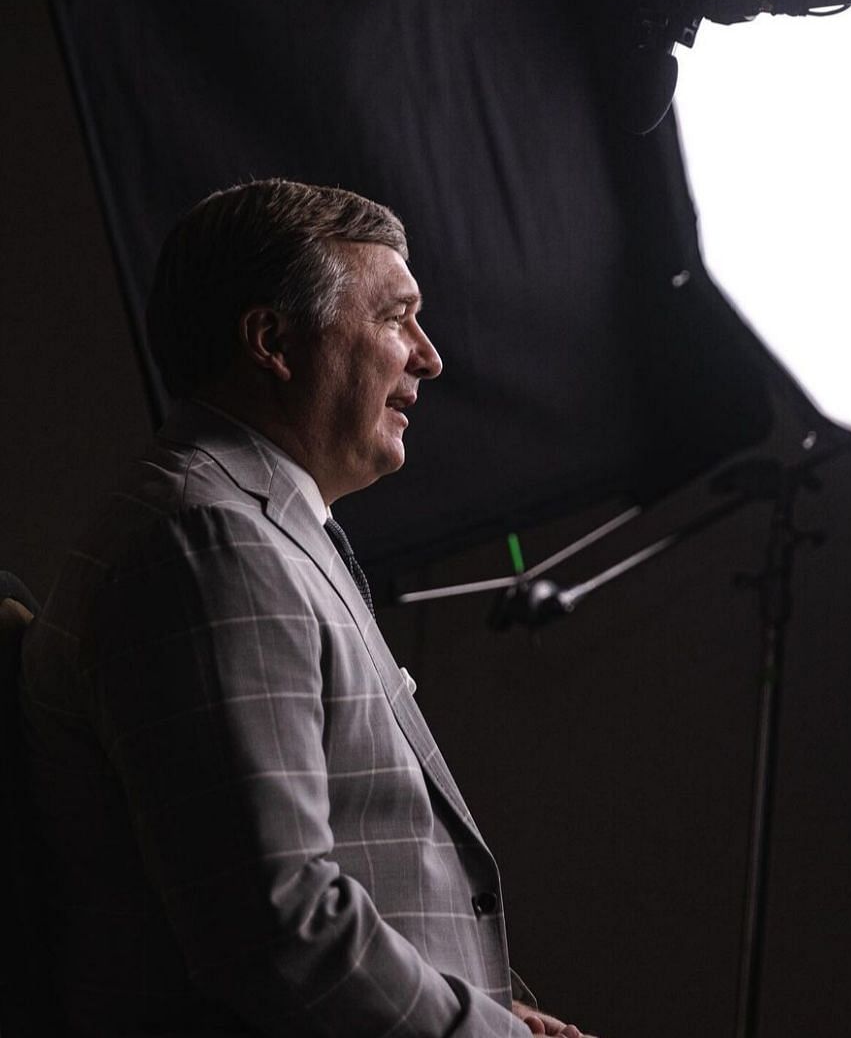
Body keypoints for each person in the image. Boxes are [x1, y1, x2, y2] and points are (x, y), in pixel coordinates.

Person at [17, 179, 590, 1034]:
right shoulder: (210, 543)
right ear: (273, 340)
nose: (428, 356)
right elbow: (272, 924)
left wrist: (475, 1006)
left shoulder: (255, 527)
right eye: (396, 317)